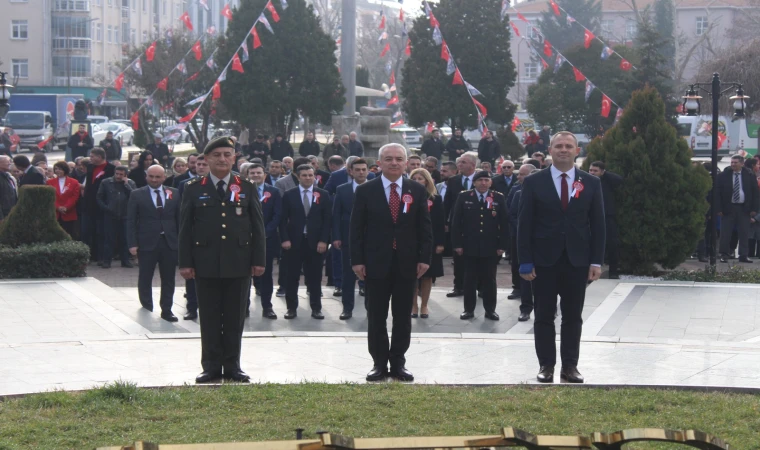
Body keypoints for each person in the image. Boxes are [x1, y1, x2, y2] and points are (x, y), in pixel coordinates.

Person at [518, 131, 605, 384]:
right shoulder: (534, 182)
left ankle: (570, 366)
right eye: (559, 146)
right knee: (543, 316)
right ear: (550, 150)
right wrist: (525, 260)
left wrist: (596, 262)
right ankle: (546, 365)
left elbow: (598, 226)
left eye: (569, 146)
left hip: (577, 261)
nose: (564, 150)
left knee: (572, 317)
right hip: (543, 262)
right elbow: (524, 225)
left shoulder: (591, 183)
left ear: (577, 151)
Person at [179, 136, 266, 384]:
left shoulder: (246, 186)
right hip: (205, 262)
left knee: (235, 316)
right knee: (208, 316)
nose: (222, 159)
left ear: (235, 158)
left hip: (238, 262)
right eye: (217, 155)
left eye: (228, 154)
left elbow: (257, 227)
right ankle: (210, 366)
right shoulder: (194, 188)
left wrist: (259, 260)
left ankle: (233, 365)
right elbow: (186, 228)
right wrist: (185, 262)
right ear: (206, 159)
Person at [350, 143, 433, 382]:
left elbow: (424, 228)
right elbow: (356, 229)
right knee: (376, 315)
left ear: (406, 163)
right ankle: (378, 363)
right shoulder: (366, 191)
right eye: (389, 159)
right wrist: (357, 261)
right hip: (375, 264)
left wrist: (424, 259)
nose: (394, 163)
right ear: (380, 163)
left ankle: (398, 362)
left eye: (399, 159)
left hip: (407, 264)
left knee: (402, 316)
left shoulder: (416, 190)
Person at [452, 170, 509, 321]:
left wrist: (502, 245)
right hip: (469, 245)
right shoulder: (464, 196)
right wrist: (457, 243)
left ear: (490, 182)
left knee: (489, 279)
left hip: (490, 246)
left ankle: (490, 310)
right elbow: (456, 222)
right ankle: (468, 309)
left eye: (486, 180)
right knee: (469, 279)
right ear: (474, 182)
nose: (483, 183)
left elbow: (504, 224)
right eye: (480, 180)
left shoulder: (498, 198)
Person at [127, 166, 180, 320]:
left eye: (158, 177)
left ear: (164, 177)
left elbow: (179, 219)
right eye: (151, 176)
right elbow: (130, 220)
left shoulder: (174, 193)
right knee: (145, 276)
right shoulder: (137, 194)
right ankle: (147, 306)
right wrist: (132, 243)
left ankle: (167, 310)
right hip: (146, 243)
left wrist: (180, 241)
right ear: (146, 176)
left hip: (169, 242)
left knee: (169, 278)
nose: (154, 180)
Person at [279, 163, 332, 319]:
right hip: (294, 242)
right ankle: (291, 308)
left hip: (315, 243)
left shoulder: (323, 194)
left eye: (310, 175)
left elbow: (327, 220)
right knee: (292, 277)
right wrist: (285, 239)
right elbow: (282, 220)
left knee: (315, 277)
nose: (308, 178)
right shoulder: (289, 194)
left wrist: (324, 241)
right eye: (304, 175)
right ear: (298, 176)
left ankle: (316, 308)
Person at [332, 158, 370, 319]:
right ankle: (347, 308)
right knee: (348, 275)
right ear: (350, 171)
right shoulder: (342, 189)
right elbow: (336, 215)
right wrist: (336, 237)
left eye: (363, 169)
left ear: (368, 171)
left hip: (372, 239)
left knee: (371, 276)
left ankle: (372, 310)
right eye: (357, 169)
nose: (361, 172)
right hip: (348, 239)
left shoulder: (376, 188)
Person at [409, 168, 444, 319]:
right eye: (414, 178)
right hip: (410, 241)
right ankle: (413, 305)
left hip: (430, 241)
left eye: (420, 179)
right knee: (411, 275)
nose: (417, 181)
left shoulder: (436, 199)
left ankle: (424, 305)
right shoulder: (406, 196)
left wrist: (440, 243)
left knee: (427, 275)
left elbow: (440, 223)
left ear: (427, 181)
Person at [249, 163, 282, 319]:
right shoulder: (240, 190)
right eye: (252, 173)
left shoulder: (273, 192)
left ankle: (267, 307)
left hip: (266, 240)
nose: (256, 175)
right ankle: (244, 307)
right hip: (245, 240)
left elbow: (277, 216)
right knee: (244, 275)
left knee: (266, 274)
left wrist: (264, 232)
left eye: (258, 173)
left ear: (264, 174)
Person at [443, 151, 478, 298]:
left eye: (463, 162)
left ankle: (480, 287)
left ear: (472, 164)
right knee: (458, 257)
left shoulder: (482, 179)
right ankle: (458, 286)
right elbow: (447, 203)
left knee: (478, 257)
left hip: (477, 225)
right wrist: (445, 221)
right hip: (458, 225)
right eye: (459, 162)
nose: (459, 165)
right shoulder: (453, 180)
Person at [509, 166, 541, 321]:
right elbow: (513, 215)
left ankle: (548, 306)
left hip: (544, 242)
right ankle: (526, 308)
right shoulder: (518, 194)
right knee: (525, 277)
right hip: (524, 241)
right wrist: (523, 229)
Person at [717, 154, 760, 263]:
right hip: (728, 208)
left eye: (735, 163)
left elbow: (755, 193)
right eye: (732, 162)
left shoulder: (749, 175)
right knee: (725, 233)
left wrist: (754, 209)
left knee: (744, 233)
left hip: (744, 208)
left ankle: (743, 255)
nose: (733, 164)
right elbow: (718, 193)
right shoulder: (724, 175)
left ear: (741, 163)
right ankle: (724, 254)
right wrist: (719, 208)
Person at [588, 161, 624, 278]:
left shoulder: (607, 181)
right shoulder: (585, 181)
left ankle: (613, 271)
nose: (592, 173)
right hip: (589, 217)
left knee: (612, 244)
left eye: (595, 171)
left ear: (602, 172)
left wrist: (605, 174)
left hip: (607, 216)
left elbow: (619, 180)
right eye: (591, 170)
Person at [97, 166, 135, 268]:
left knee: (124, 239)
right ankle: (106, 261)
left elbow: (134, 196)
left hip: (125, 215)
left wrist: (126, 185)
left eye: (121, 174)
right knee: (109, 239)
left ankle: (125, 260)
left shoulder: (130, 183)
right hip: (110, 214)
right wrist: (106, 208)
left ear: (125, 175)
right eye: (117, 174)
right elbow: (99, 197)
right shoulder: (106, 182)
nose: (118, 176)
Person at [83, 148, 116, 263]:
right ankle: (91, 255)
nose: (90, 158)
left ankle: (102, 256)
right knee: (88, 230)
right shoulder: (90, 167)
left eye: (92, 156)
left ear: (100, 157)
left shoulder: (111, 169)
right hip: (89, 204)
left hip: (103, 203)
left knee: (102, 231)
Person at [47, 161, 80, 238]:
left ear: (65, 170)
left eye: (60, 169)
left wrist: (66, 207)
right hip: (55, 213)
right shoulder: (49, 182)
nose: (57, 171)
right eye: (56, 169)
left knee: (70, 234)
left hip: (69, 213)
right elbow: (50, 197)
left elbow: (74, 197)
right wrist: (58, 207)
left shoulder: (74, 182)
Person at [0, 155, 17, 222]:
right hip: (4, 215)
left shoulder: (8, 177)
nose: (10, 163)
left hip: (11, 213)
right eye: (8, 162)